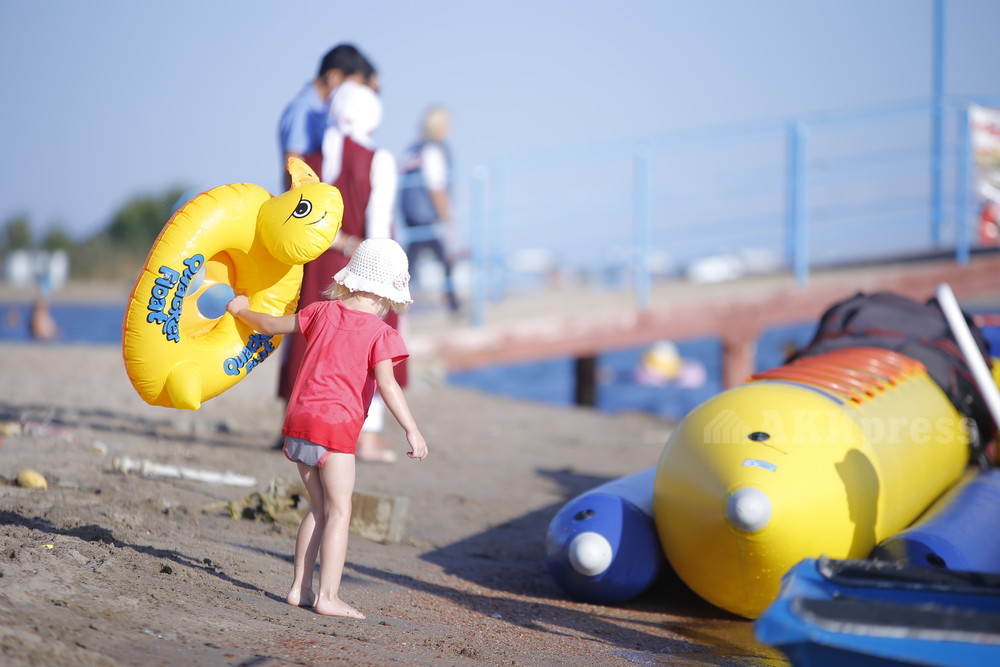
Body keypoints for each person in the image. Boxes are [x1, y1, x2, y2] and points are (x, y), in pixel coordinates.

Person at [226, 238, 428, 619]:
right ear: (387, 293)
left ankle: (299, 588)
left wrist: (241, 310)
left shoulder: (320, 311)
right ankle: (328, 596)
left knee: (317, 508)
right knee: (339, 512)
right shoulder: (381, 334)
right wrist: (412, 430)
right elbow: (388, 386)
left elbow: (270, 325)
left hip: (299, 422)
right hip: (336, 430)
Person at [279, 80, 403, 462]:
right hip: (363, 267)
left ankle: (295, 426)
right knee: (367, 348)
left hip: (316, 264)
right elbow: (378, 229)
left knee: (311, 340)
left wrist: (334, 240)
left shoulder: (311, 161)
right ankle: (366, 437)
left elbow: (296, 218)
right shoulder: (377, 159)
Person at [277, 44, 376, 191]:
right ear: (334, 77)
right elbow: (291, 172)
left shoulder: (324, 112)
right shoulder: (301, 111)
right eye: (351, 88)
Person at [399, 106, 461, 314]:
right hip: (427, 215)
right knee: (441, 258)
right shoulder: (433, 150)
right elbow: (436, 187)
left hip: (410, 213)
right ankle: (453, 303)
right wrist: (447, 217)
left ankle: (452, 302)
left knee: (414, 260)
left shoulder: (413, 150)